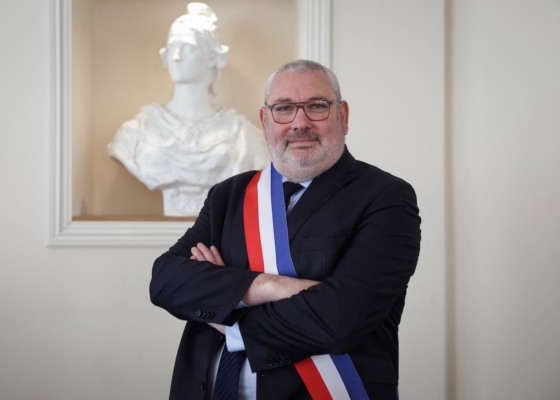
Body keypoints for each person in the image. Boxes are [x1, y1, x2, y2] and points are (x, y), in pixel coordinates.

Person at [150, 59, 421, 399]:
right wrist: (269, 285)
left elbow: (342, 317)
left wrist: (227, 312)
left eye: (317, 106)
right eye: (284, 108)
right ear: (265, 120)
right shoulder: (228, 195)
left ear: (343, 115)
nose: (300, 122)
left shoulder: (386, 197)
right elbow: (166, 281)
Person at [108, 3, 269, 216]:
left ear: (213, 57)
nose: (176, 56)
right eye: (172, 48)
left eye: (188, 47)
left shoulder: (242, 134)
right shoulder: (135, 132)